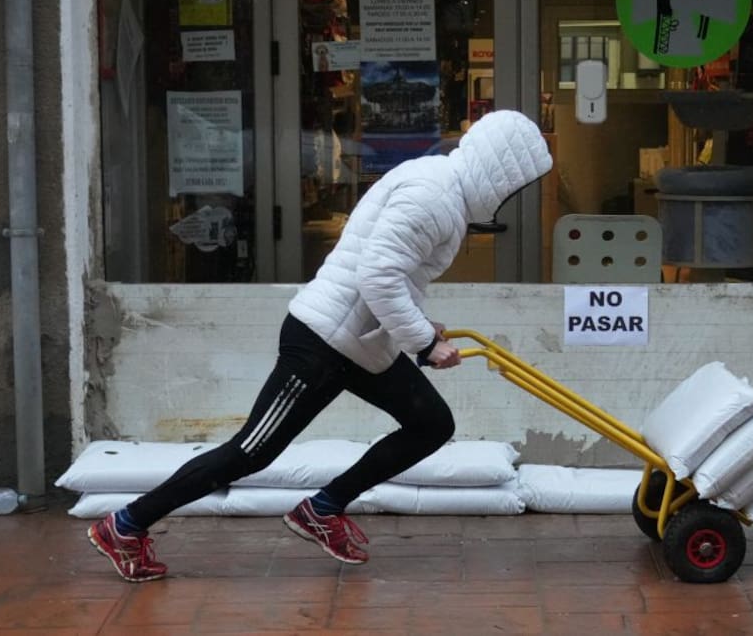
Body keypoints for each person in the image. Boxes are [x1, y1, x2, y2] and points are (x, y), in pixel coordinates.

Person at [87, 110, 553, 582]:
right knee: (250, 451)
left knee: (430, 423)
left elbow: (393, 275)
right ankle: (125, 525)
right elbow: (377, 277)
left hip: (359, 344)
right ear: (500, 175)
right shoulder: (433, 197)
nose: (511, 198)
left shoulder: (440, 189)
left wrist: (420, 326)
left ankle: (323, 508)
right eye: (514, 188)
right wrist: (424, 341)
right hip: (322, 342)